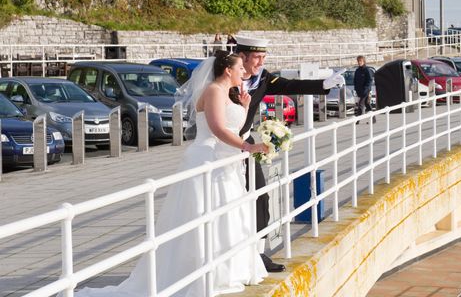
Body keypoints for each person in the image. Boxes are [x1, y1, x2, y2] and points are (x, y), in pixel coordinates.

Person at [67, 52, 269, 296]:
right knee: (205, 213)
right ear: (227, 70)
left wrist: (245, 107)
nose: (243, 73)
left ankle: (228, 267)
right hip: (208, 157)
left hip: (225, 161)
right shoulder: (215, 90)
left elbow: (234, 126)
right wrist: (248, 147)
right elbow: (217, 129)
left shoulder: (227, 93)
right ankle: (202, 270)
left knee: (227, 214)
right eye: (239, 69)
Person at [234, 36, 345, 272]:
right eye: (257, 57)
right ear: (242, 56)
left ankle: (258, 254)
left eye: (264, 57)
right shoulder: (225, 78)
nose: (261, 62)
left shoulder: (261, 77)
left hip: (246, 144)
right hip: (225, 149)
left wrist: (323, 85)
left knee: (261, 197)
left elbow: (288, 86)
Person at [354, 55, 374, 123]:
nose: (359, 62)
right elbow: (355, 81)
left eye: (360, 61)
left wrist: (366, 89)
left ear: (363, 61)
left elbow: (369, 81)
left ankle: (357, 120)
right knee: (367, 104)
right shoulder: (357, 71)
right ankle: (373, 119)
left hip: (366, 91)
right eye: (358, 61)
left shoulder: (367, 70)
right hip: (359, 91)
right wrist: (356, 89)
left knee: (360, 104)